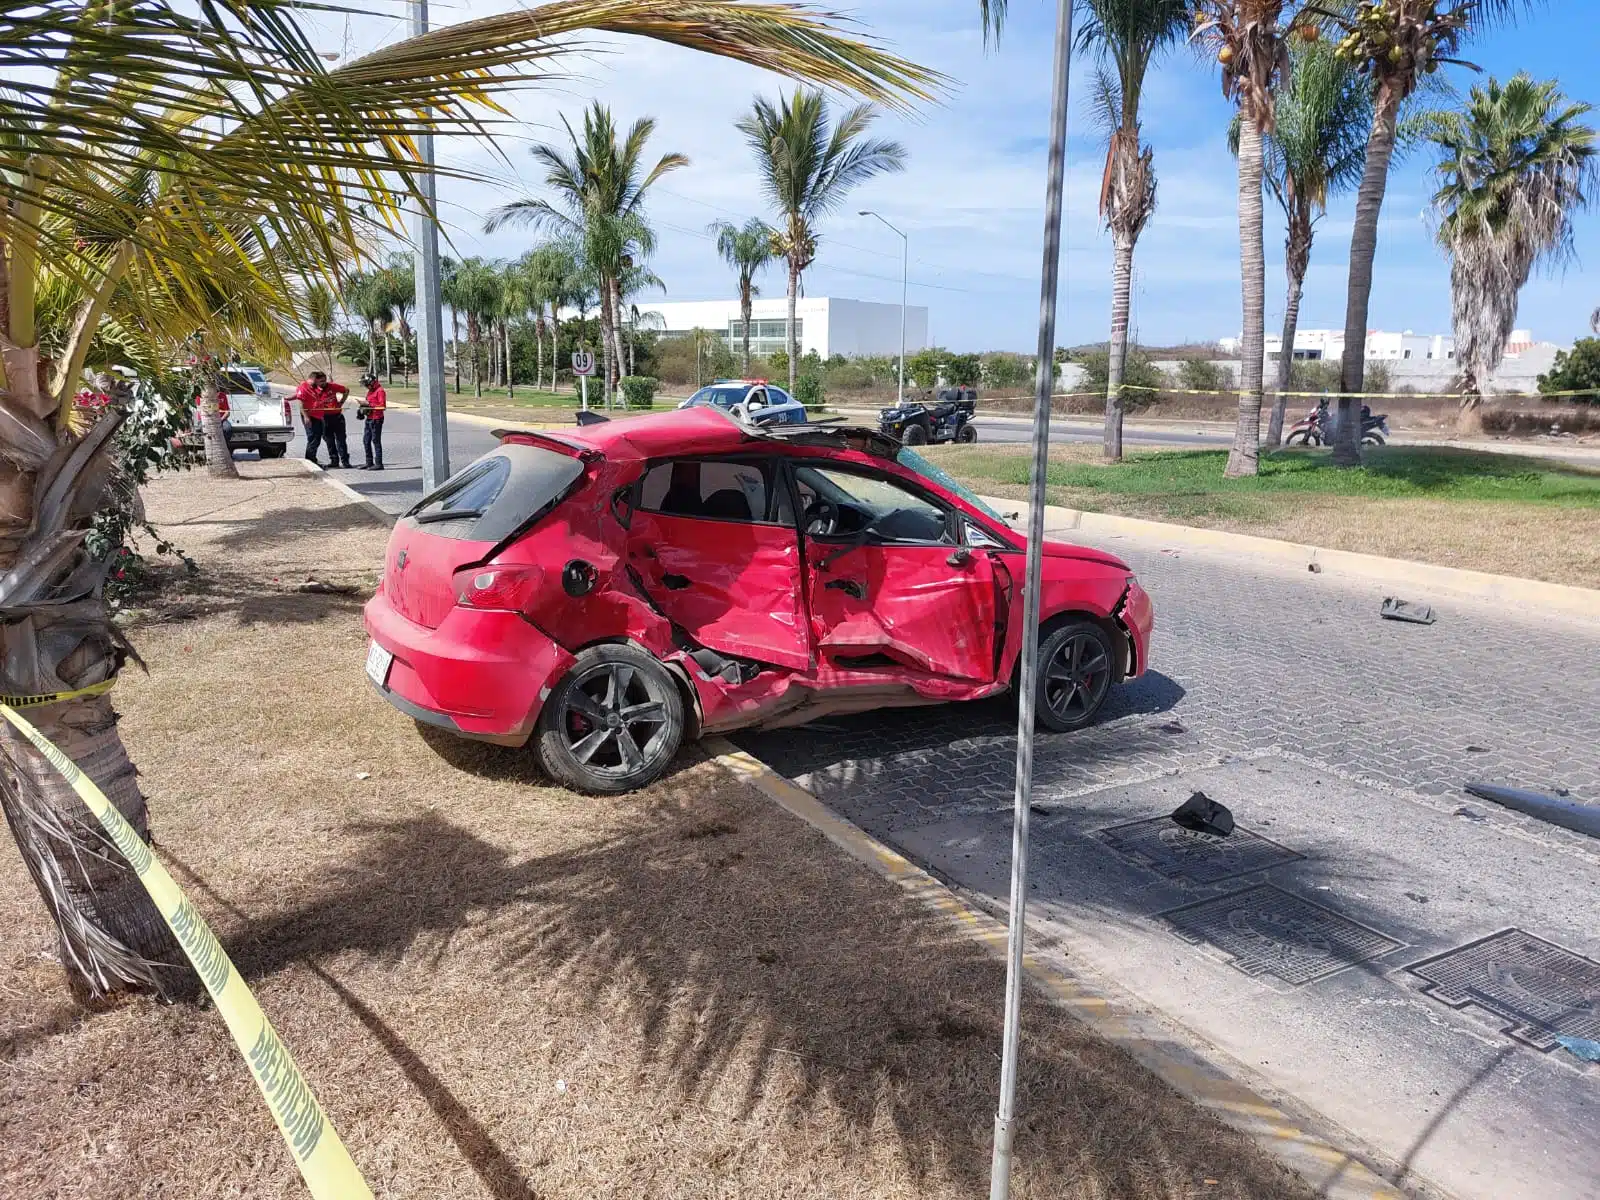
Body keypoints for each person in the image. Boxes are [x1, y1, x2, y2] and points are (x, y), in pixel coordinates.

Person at [290, 371, 348, 467]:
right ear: (315, 380)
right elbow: (300, 398)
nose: (323, 383)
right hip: (318, 417)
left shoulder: (329, 386)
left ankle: (344, 461)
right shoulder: (309, 387)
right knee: (320, 439)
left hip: (331, 417)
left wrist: (341, 402)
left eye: (324, 381)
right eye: (320, 381)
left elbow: (346, 390)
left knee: (337, 439)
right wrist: (306, 417)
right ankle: (320, 461)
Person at [357, 374, 386, 470]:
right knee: (366, 440)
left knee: (376, 441)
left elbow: (382, 406)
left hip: (376, 419)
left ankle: (379, 464)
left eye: (366, 384)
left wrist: (369, 404)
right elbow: (368, 403)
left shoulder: (380, 391)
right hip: (369, 418)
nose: (366, 386)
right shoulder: (370, 391)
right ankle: (369, 462)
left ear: (371, 382)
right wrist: (362, 408)